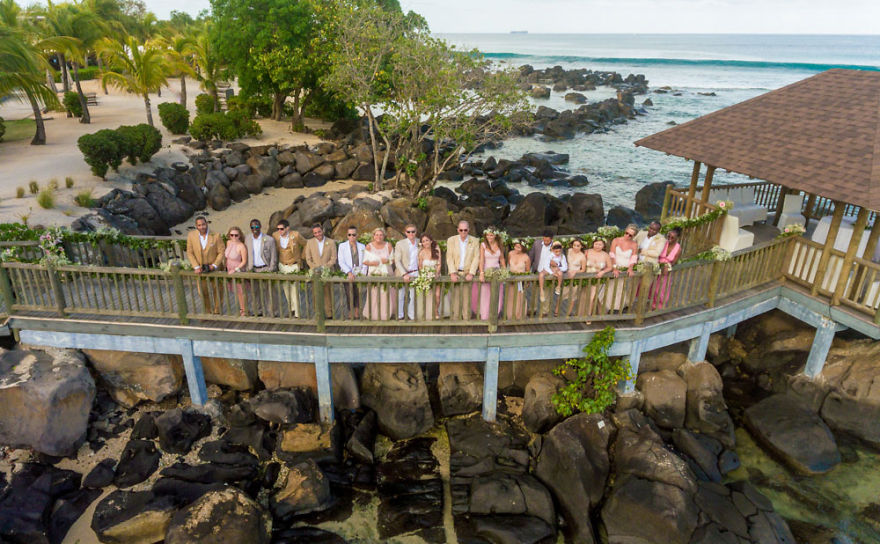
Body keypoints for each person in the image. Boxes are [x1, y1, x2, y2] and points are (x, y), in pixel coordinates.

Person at [185, 216, 225, 313]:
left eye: (203, 224)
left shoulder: (216, 235)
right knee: (202, 291)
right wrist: (196, 266)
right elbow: (189, 252)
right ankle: (208, 310)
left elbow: (221, 251)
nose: (202, 227)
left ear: (206, 224)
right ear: (196, 226)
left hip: (215, 268)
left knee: (218, 290)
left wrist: (214, 265)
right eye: (199, 225)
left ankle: (217, 311)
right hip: (200, 268)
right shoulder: (191, 235)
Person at [445, 221, 481, 320]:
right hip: (456, 272)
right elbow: (449, 257)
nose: (463, 232)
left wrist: (471, 273)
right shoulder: (451, 240)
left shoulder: (475, 240)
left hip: (467, 273)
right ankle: (455, 318)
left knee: (467, 298)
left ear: (468, 230)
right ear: (458, 230)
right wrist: (452, 272)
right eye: (461, 230)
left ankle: (466, 319)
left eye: (465, 230)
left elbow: (476, 257)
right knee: (455, 298)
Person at [245, 219, 278, 316]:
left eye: (256, 226)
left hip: (266, 268)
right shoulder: (247, 238)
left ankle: (273, 312)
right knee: (254, 292)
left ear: (260, 227)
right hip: (253, 269)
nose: (255, 229)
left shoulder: (269, 239)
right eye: (252, 227)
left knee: (270, 292)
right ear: (250, 228)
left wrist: (271, 268)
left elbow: (273, 255)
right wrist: (248, 268)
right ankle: (257, 311)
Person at [304, 223, 337, 317]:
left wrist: (325, 267)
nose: (318, 234)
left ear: (322, 230)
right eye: (315, 233)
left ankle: (329, 314)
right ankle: (318, 313)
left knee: (328, 293)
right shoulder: (310, 242)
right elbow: (308, 259)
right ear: (313, 234)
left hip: (327, 271)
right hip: (315, 272)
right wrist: (315, 268)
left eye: (319, 231)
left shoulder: (331, 242)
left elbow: (333, 258)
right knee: (316, 294)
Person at [273, 219, 305, 317]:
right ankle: (291, 309)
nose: (280, 231)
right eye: (278, 229)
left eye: (282, 229)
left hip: (294, 265)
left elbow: (306, 244)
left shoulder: (295, 235)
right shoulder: (275, 236)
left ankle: (297, 313)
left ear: (287, 228)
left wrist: (302, 257)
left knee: (295, 289)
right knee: (286, 289)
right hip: (282, 265)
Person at [606, 224, 640, 311]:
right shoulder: (616, 240)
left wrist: (630, 268)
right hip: (615, 266)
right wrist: (614, 268)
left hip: (624, 269)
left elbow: (633, 258)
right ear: (624, 231)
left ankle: (616, 308)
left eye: (630, 235)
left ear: (634, 236)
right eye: (626, 233)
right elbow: (612, 255)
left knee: (620, 289)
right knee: (611, 288)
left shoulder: (634, 245)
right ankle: (609, 307)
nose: (627, 236)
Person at [363, 228, 394, 320]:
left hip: (386, 272)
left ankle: (385, 314)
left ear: (384, 236)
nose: (379, 237)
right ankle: (372, 313)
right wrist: (372, 263)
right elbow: (364, 261)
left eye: (381, 235)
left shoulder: (388, 245)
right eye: (377, 235)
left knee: (385, 293)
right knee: (373, 293)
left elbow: (393, 259)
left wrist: (387, 260)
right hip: (374, 273)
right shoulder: (369, 246)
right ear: (373, 236)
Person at [475, 227, 506, 320]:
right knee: (485, 295)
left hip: (497, 272)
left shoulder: (500, 244)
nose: (489, 237)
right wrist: (481, 272)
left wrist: (504, 270)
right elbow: (481, 260)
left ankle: (495, 314)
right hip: (487, 271)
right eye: (488, 235)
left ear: (495, 235)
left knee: (498, 294)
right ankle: (485, 316)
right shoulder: (483, 245)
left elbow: (502, 259)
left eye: (491, 235)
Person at [337, 225, 366, 318]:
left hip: (359, 273)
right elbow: (341, 261)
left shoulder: (362, 246)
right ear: (347, 235)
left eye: (354, 235)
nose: (352, 237)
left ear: (357, 235)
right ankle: (350, 311)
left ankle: (357, 311)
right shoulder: (342, 246)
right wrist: (349, 272)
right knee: (349, 293)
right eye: (349, 235)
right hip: (348, 273)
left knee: (358, 293)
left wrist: (363, 273)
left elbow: (365, 261)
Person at [652, 227, 682, 310]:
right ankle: (653, 303)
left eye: (672, 237)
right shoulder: (663, 243)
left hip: (666, 269)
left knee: (662, 288)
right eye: (668, 236)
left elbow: (674, 262)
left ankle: (660, 306)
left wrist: (666, 266)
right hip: (657, 266)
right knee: (653, 287)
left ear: (677, 238)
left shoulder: (678, 249)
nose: (669, 239)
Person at [394, 224, 420, 320]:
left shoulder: (420, 242)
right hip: (403, 273)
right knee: (401, 295)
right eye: (408, 232)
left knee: (413, 296)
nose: (411, 233)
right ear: (405, 233)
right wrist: (404, 273)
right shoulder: (400, 244)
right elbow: (397, 260)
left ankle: (411, 314)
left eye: (413, 231)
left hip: (415, 273)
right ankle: (400, 315)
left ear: (416, 232)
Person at [584, 238, 614, 321]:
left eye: (600, 244)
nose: (597, 246)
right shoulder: (587, 252)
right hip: (585, 279)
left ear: (603, 245)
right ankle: (583, 313)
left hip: (596, 279)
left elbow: (610, 267)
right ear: (593, 243)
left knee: (592, 297)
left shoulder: (605, 255)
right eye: (596, 244)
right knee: (584, 297)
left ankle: (588, 316)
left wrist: (602, 272)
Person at [224, 226, 248, 316]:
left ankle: (244, 309)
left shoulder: (241, 246)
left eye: (236, 235)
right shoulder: (228, 242)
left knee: (241, 291)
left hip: (237, 269)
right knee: (236, 291)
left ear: (240, 235)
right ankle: (241, 307)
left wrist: (236, 269)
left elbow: (244, 261)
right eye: (232, 235)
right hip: (229, 268)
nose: (234, 237)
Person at [417, 234, 442, 320]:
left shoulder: (437, 250)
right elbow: (420, 266)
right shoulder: (421, 253)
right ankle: (428, 312)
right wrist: (424, 274)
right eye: (423, 241)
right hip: (426, 276)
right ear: (422, 243)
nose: (425, 242)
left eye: (427, 240)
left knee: (437, 295)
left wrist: (436, 273)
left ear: (431, 241)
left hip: (436, 276)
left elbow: (439, 264)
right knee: (428, 295)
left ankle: (436, 310)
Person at [506, 239, 531, 320]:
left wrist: (527, 282)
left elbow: (527, 270)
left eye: (518, 247)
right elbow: (509, 265)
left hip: (521, 281)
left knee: (520, 298)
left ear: (523, 248)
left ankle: (519, 315)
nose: (516, 249)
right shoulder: (510, 253)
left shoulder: (526, 257)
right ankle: (510, 315)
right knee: (511, 297)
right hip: (511, 280)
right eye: (515, 247)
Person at [539, 241, 568, 307]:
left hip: (557, 268)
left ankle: (558, 286)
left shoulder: (562, 257)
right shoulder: (549, 256)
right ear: (553, 250)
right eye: (556, 251)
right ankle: (541, 290)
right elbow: (546, 265)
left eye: (559, 251)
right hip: (548, 269)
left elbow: (565, 267)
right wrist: (552, 273)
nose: (558, 253)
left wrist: (558, 267)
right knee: (541, 274)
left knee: (560, 273)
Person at [565, 239, 587, 316]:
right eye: (574, 245)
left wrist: (575, 272)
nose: (575, 247)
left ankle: (568, 313)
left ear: (581, 247)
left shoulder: (582, 257)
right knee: (562, 294)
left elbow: (583, 270)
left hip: (575, 277)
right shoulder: (569, 251)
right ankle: (556, 312)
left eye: (578, 246)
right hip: (566, 275)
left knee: (572, 297)